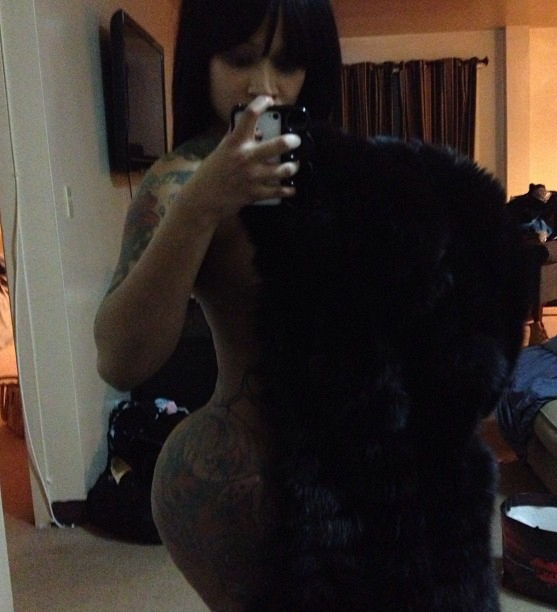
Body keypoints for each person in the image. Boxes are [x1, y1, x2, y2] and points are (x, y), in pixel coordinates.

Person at [94, 0, 342, 609]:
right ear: (201, 62)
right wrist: (201, 205)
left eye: (288, 63)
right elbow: (121, 360)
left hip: (358, 459)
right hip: (245, 473)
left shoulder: (343, 168)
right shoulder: (180, 181)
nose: (264, 87)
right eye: (240, 58)